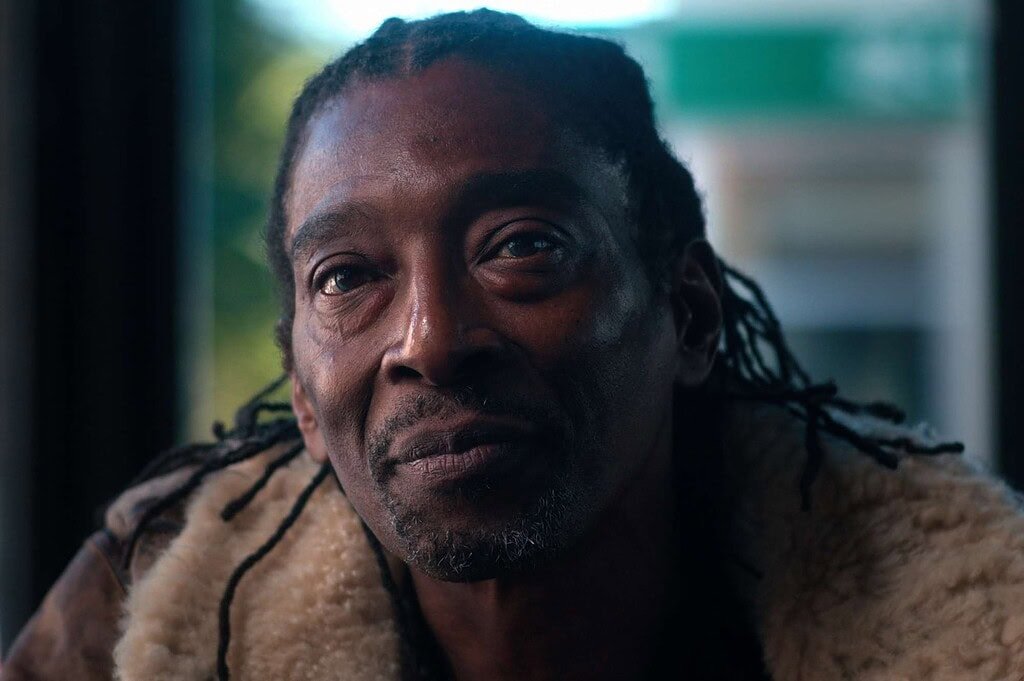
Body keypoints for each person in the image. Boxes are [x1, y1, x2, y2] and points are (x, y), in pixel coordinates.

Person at [4, 9, 1023, 681]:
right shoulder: (134, 625)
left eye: (522, 248)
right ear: (305, 403)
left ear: (691, 318)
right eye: (348, 278)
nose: (433, 341)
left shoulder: (981, 622)